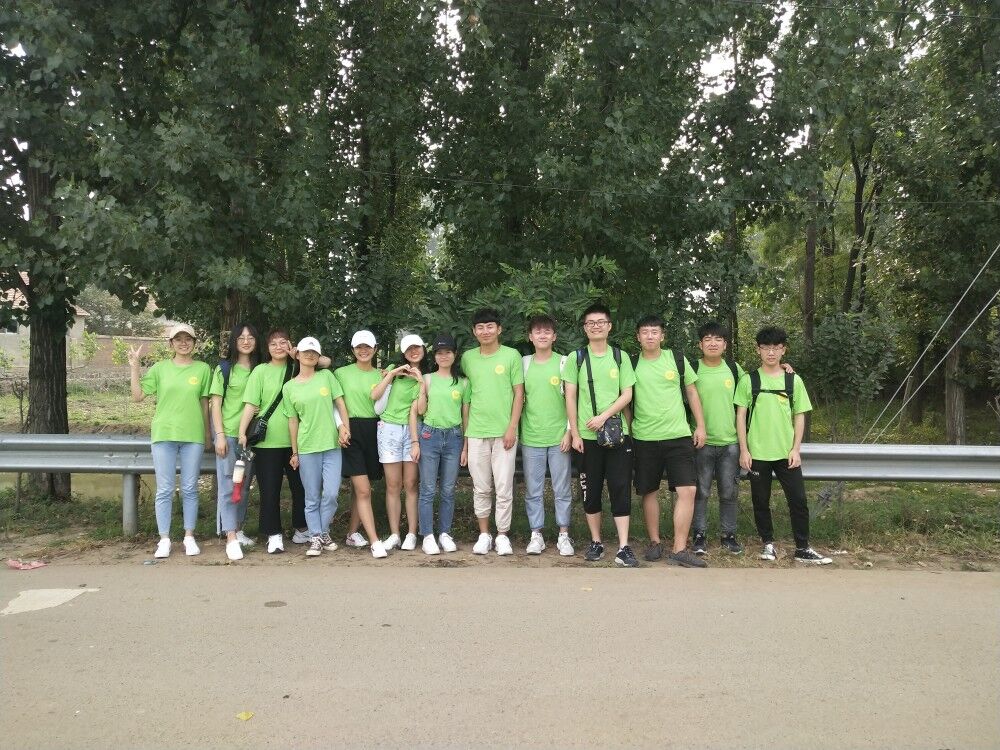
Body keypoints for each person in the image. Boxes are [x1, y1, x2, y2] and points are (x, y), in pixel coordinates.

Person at [735, 326, 831, 564]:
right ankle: (767, 544)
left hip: (786, 453)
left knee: (798, 501)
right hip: (757, 452)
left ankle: (802, 547)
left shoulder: (793, 379)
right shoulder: (749, 380)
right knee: (760, 501)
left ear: (783, 350)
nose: (771, 353)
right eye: (766, 348)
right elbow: (740, 416)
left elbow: (800, 415)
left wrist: (796, 449)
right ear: (758, 350)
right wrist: (744, 450)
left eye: (776, 348)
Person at [128, 323, 212, 559]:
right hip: (164, 434)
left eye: (188, 339)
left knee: (190, 488)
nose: (183, 343)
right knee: (164, 489)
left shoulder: (203, 369)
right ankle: (164, 539)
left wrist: (207, 434)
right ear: (171, 343)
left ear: (194, 343)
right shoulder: (159, 368)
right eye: (178, 339)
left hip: (192, 435)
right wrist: (135, 368)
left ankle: (189, 536)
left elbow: (204, 403)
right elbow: (137, 396)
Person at [630, 315, 707, 568]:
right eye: (645, 332)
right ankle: (654, 542)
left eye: (655, 332)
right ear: (638, 337)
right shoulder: (631, 363)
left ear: (662, 336)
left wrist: (700, 426)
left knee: (688, 490)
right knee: (649, 490)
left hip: (678, 435)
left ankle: (679, 548)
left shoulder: (677, 359)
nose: (650, 336)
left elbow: (692, 392)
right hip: (644, 436)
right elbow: (625, 399)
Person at [563, 303, 637, 567]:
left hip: (617, 434)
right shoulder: (576, 358)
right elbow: (570, 396)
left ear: (609, 326)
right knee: (590, 490)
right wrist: (574, 433)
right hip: (586, 437)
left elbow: (627, 394)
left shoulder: (620, 356)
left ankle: (624, 546)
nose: (596, 326)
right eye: (590, 323)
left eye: (600, 322)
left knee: (620, 488)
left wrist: (603, 416)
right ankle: (596, 542)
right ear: (585, 328)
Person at [460, 308, 524, 555]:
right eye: (480, 327)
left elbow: (519, 393)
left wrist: (511, 428)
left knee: (504, 487)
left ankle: (502, 535)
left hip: (504, 433)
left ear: (499, 329)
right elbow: (466, 397)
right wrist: (466, 439)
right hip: (476, 432)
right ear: (474, 332)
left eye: (490, 326)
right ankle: (484, 534)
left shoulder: (511, 355)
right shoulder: (467, 358)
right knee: (481, 487)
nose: (485, 331)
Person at [238, 328, 307, 554]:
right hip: (267, 443)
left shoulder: (299, 367)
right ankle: (274, 534)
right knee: (270, 490)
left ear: (290, 345)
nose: (278, 347)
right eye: (273, 343)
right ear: (267, 348)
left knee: (301, 487)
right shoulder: (260, 371)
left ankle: (301, 528)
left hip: (298, 441)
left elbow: (325, 362)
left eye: (283, 342)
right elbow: (251, 404)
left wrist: (298, 356)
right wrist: (242, 432)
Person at [282, 336, 351, 557]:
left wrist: (345, 428)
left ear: (319, 356)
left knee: (330, 494)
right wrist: (294, 452)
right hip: (307, 447)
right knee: (311, 497)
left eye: (314, 352)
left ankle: (322, 532)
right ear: (298, 355)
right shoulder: (289, 387)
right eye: (305, 352)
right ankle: (316, 536)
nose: (310, 355)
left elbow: (340, 403)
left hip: (331, 446)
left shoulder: (326, 376)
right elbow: (293, 421)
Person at [519, 314, 574, 556]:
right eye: (537, 331)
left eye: (547, 331)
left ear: (554, 336)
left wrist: (570, 431)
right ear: (530, 337)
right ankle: (536, 535)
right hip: (531, 437)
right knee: (533, 490)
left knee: (562, 489)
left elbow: (573, 399)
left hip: (559, 436)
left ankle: (564, 534)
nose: (542, 335)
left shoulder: (564, 362)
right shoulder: (523, 363)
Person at [690, 321, 745, 556]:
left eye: (718, 339)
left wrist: (784, 368)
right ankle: (699, 535)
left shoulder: (734, 369)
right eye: (708, 339)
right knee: (700, 492)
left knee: (728, 492)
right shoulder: (692, 369)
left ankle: (728, 535)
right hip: (701, 442)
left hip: (730, 442)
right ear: (700, 344)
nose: (713, 343)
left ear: (725, 344)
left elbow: (756, 386)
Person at [333, 330, 388, 559]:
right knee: (364, 489)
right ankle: (375, 541)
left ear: (375, 349)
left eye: (367, 347)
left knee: (362, 489)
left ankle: (352, 533)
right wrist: (340, 426)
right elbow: (335, 404)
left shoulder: (382, 374)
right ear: (353, 350)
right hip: (350, 430)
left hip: (374, 430)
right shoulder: (340, 373)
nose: (363, 351)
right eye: (359, 347)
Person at [210, 323, 261, 561]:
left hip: (251, 437)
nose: (246, 341)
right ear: (234, 342)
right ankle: (230, 536)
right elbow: (215, 404)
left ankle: (238, 530)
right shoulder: (224, 369)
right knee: (229, 485)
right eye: (241, 338)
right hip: (229, 434)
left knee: (244, 485)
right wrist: (219, 434)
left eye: (250, 337)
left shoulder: (261, 369)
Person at [414, 333, 468, 554]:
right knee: (427, 488)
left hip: (454, 437)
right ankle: (427, 535)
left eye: (448, 352)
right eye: (439, 353)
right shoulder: (427, 378)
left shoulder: (463, 382)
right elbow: (420, 410)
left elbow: (465, 416)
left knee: (447, 489)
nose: (443, 356)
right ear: (434, 356)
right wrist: (421, 387)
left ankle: (445, 533)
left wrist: (465, 446)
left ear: (455, 354)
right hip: (429, 435)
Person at [373, 334, 425, 551]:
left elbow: (420, 410)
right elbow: (375, 395)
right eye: (409, 349)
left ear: (423, 349)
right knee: (393, 485)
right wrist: (393, 373)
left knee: (411, 484)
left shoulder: (427, 375)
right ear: (403, 353)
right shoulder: (393, 371)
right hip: (389, 429)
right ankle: (395, 534)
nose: (414, 351)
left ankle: (412, 533)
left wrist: (420, 380)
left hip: (412, 431)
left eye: (417, 347)